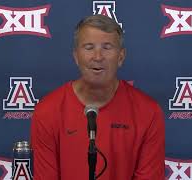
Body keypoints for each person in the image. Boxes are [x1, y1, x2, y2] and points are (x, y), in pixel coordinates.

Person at [31, 14, 165, 180]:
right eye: (89, 47)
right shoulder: (47, 111)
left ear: (121, 57)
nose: (98, 57)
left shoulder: (149, 112)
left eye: (107, 47)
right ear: (75, 56)